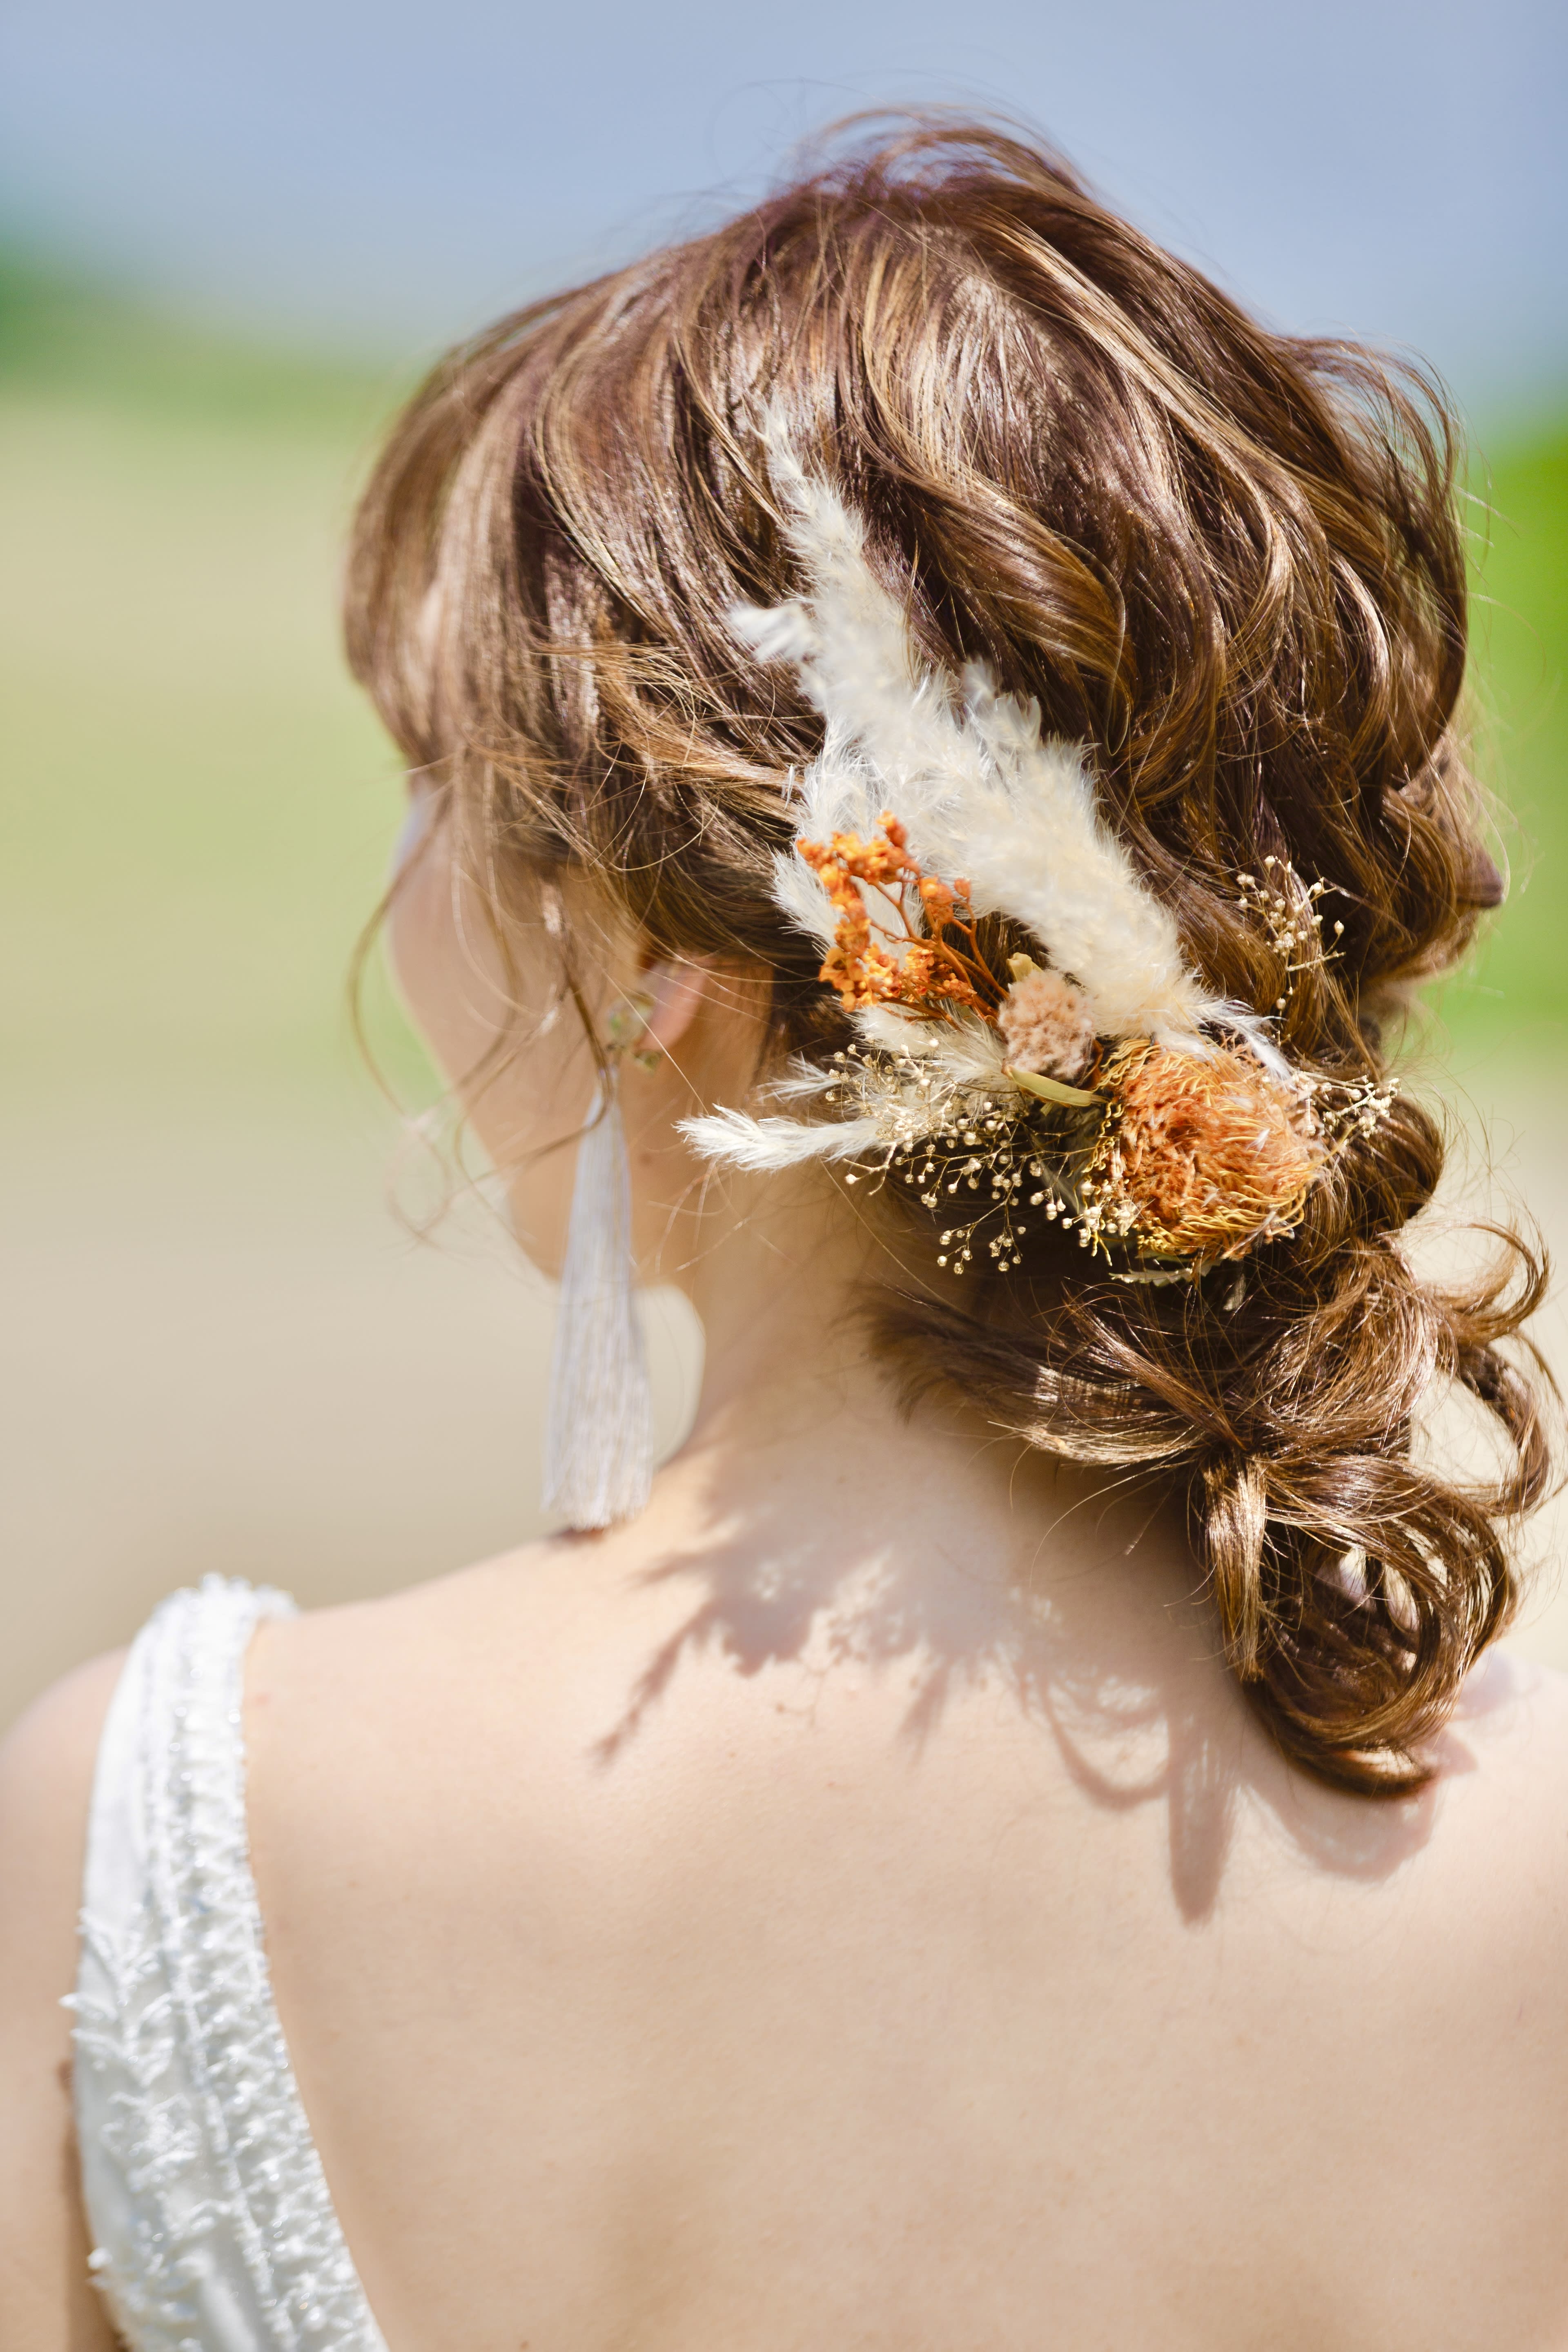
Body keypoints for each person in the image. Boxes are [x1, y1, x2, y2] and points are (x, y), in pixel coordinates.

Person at [2, 116, 1564, 2352]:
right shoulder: (1525, 1882)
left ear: (653, 934)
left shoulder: (165, 1825)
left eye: (438, 776)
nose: (406, 892)